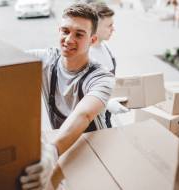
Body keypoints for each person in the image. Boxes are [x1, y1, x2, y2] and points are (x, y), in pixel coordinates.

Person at [20, 3, 128, 190]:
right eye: (65, 31)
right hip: (63, 146)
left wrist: (51, 152)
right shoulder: (46, 60)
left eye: (79, 34)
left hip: (94, 153)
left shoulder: (101, 77)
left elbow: (83, 115)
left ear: (92, 40)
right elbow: (6, 61)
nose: (69, 39)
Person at [89, 2, 116, 74]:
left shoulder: (105, 47)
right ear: (96, 27)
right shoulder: (85, 57)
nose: (113, 29)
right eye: (109, 25)